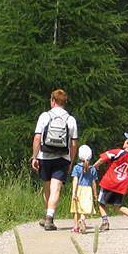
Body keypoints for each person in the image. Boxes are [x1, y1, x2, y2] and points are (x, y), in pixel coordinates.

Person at [31, 89, 79, 231]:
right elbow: (74, 143)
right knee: (55, 188)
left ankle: (48, 217)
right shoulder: (70, 120)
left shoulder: (44, 116)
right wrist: (71, 159)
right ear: (65, 102)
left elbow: (37, 138)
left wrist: (34, 156)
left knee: (47, 187)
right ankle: (49, 218)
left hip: (44, 157)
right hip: (62, 158)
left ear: (52, 101)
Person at [94, 134, 128, 231]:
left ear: (127, 143)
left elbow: (104, 157)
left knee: (101, 203)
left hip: (109, 183)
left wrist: (95, 166)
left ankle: (105, 222)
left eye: (126, 140)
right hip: (120, 187)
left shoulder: (118, 152)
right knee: (118, 206)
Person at [70, 145, 99, 233]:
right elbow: (94, 183)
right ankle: (82, 220)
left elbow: (75, 180)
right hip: (88, 191)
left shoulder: (76, 168)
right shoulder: (92, 169)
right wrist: (95, 195)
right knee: (86, 209)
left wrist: (74, 193)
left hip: (79, 190)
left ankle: (75, 226)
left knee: (76, 209)